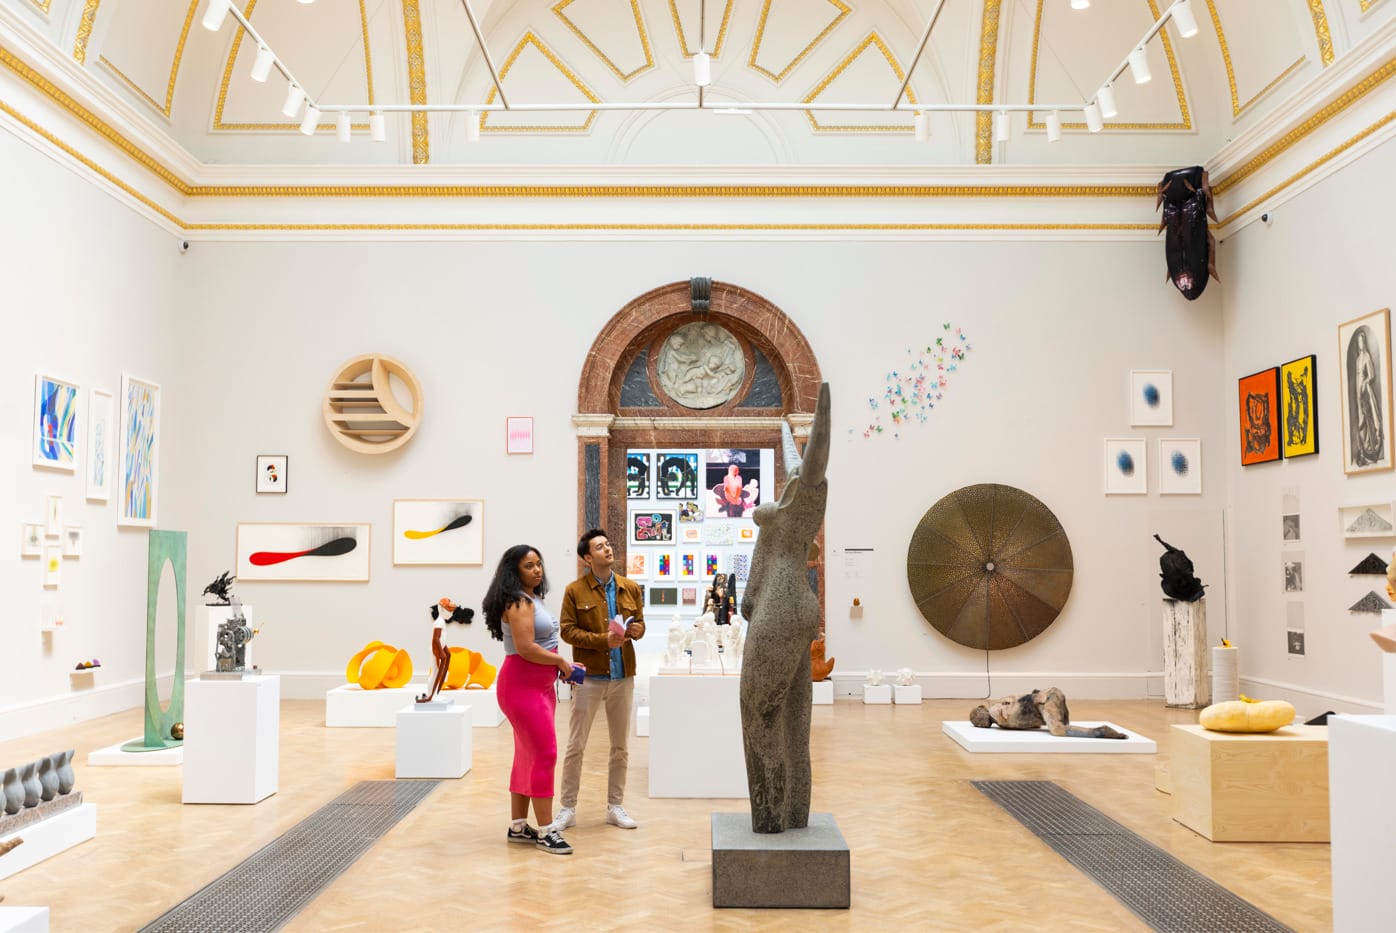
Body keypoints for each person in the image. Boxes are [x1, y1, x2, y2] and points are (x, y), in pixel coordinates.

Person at [483, 545, 575, 854]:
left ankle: (518, 826)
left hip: (538, 685)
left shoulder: (533, 598)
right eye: (529, 566)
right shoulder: (519, 603)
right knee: (545, 754)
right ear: (514, 571)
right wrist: (561, 663)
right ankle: (547, 831)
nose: (537, 570)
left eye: (539, 564)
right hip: (522, 685)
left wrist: (556, 667)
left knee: (527, 754)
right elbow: (526, 648)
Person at [557, 529, 645, 831]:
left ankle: (615, 806)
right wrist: (601, 641)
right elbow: (567, 631)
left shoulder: (630, 588)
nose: (607, 549)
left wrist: (636, 631)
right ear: (586, 558)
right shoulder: (574, 591)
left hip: (622, 676)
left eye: (608, 544)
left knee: (620, 745)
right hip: (588, 676)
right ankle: (567, 808)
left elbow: (641, 624)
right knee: (575, 745)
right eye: (599, 546)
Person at [968, 688, 1125, 739]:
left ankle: (1100, 731)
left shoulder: (996, 712)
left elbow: (1015, 701)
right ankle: (1099, 732)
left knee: (1058, 730)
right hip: (1049, 698)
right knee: (1063, 727)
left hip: (1046, 701)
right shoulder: (1001, 721)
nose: (980, 721)